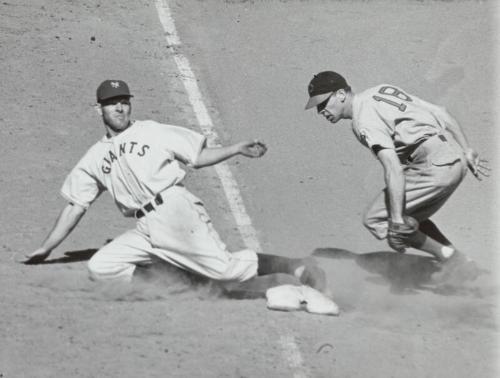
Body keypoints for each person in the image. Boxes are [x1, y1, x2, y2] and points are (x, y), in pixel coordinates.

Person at [26, 79, 331, 304]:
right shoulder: (93, 157)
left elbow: (197, 157)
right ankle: (183, 277)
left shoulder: (152, 131)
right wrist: (47, 248)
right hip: (145, 227)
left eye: (124, 101)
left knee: (225, 270)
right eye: (111, 102)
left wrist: (236, 149)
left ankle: (296, 265)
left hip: (175, 210)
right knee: (102, 266)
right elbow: (76, 205)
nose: (119, 107)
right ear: (99, 109)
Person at [304, 71, 490, 283]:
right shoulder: (379, 91)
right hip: (453, 157)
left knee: (378, 219)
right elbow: (441, 112)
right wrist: (466, 149)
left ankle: (451, 259)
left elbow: (393, 168)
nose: (321, 111)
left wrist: (397, 221)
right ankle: (456, 261)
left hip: (433, 166)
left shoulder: (363, 121)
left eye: (323, 103)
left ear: (340, 94)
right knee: (410, 215)